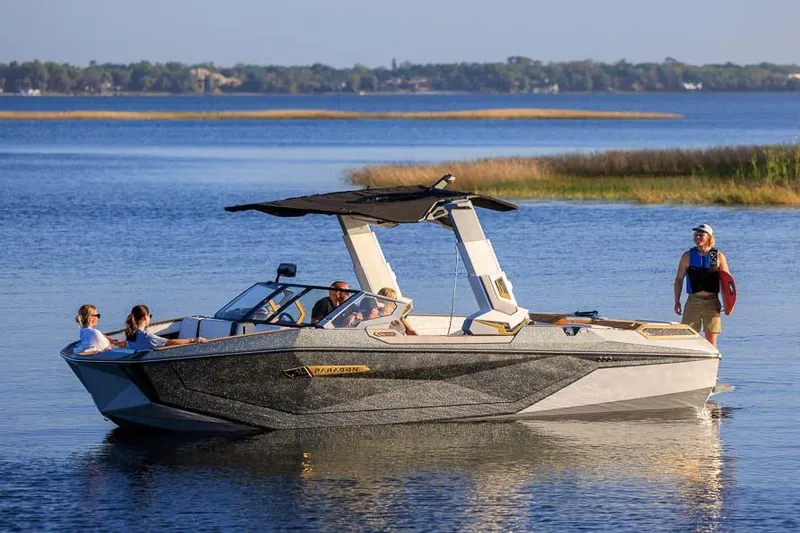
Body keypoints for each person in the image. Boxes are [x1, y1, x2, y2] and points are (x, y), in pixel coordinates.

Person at [673, 224, 730, 347]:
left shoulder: (718, 256)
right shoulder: (687, 256)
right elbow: (679, 279)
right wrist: (677, 301)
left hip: (712, 302)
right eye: (696, 235)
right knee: (687, 337)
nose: (698, 237)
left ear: (709, 237)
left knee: (711, 340)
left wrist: (729, 304)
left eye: (701, 235)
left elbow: (728, 282)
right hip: (694, 300)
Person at [125, 304, 206, 351]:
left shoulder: (130, 335)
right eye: (150, 315)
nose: (150, 318)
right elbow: (170, 342)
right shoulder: (148, 337)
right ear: (145, 317)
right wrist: (193, 340)